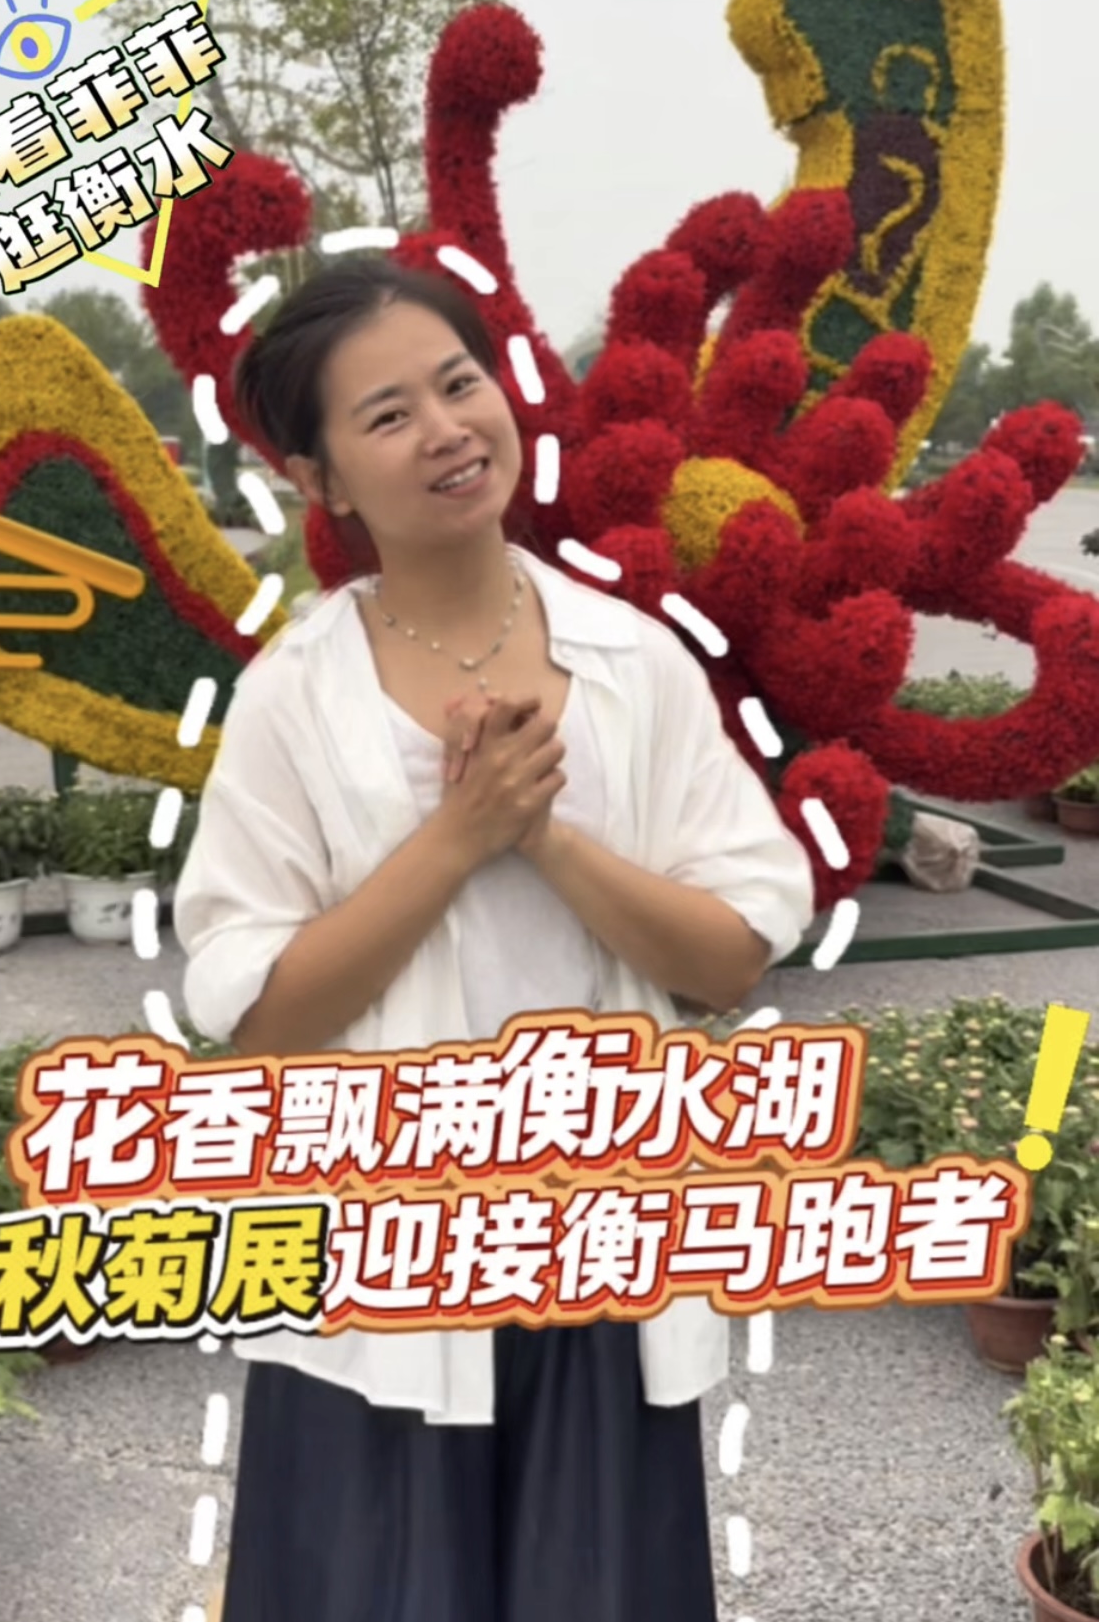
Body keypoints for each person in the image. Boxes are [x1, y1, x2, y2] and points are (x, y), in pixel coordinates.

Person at [173, 256, 817, 1622]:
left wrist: (547, 837)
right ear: (322, 480)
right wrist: (457, 837)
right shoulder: (295, 696)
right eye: (387, 414)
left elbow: (730, 954)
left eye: (457, 383)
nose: (446, 429)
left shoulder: (630, 663)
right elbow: (259, 1016)